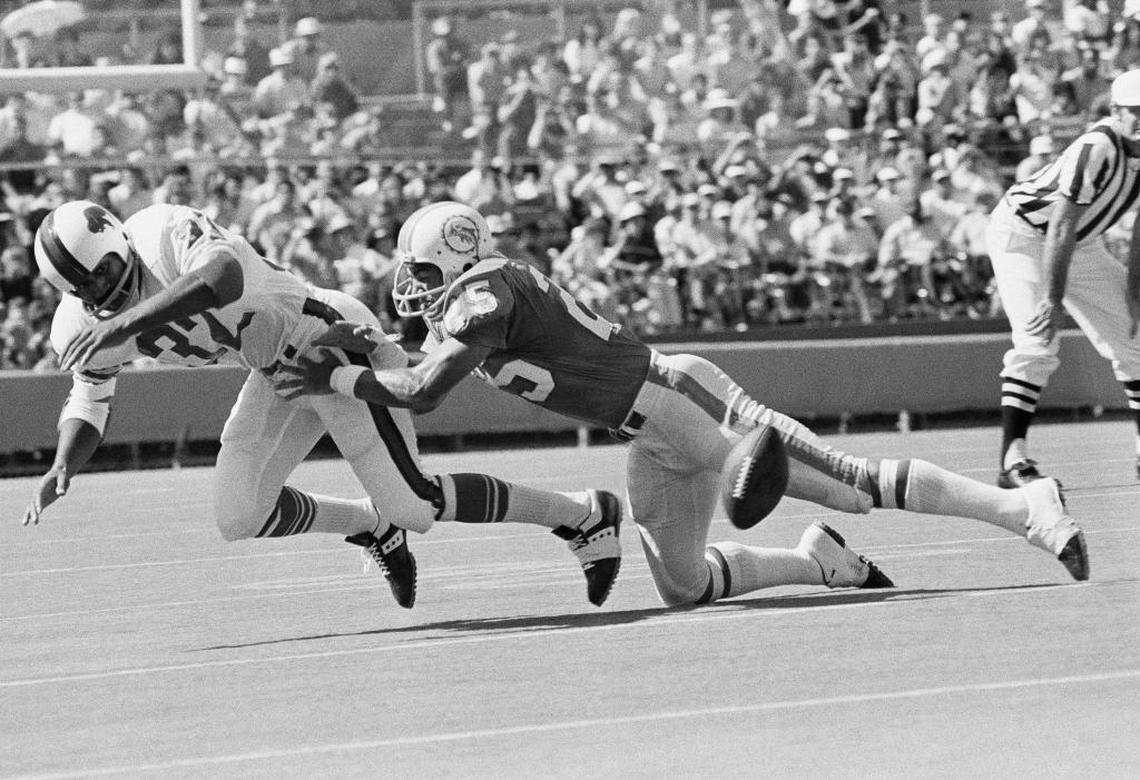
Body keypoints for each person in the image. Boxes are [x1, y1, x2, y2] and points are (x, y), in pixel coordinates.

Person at [275, 202, 1090, 608]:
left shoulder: (488, 293)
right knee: (684, 588)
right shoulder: (485, 292)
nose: (410, 283)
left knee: (852, 478)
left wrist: (335, 380)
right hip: (651, 429)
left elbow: (423, 390)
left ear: (453, 258)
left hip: (681, 397)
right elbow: (420, 364)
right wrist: (355, 352)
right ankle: (818, 562)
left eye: (419, 266)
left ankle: (1025, 507)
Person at [22, 200, 624, 610]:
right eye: (90, 285)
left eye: (107, 270)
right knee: (237, 514)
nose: (104, 287)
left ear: (120, 241)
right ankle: (370, 527)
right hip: (275, 371)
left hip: (329, 340)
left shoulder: (160, 230)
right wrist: (63, 464)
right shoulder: (80, 322)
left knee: (415, 504)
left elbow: (222, 280)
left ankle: (580, 514)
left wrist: (124, 320)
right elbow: (91, 394)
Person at [986, 68, 1140, 486]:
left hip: (1082, 243)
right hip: (1024, 233)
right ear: (1114, 111)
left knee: (1136, 338)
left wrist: (1134, 292)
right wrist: (1052, 301)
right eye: (1134, 111)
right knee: (1037, 340)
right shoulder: (1097, 146)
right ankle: (1011, 459)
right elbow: (1060, 225)